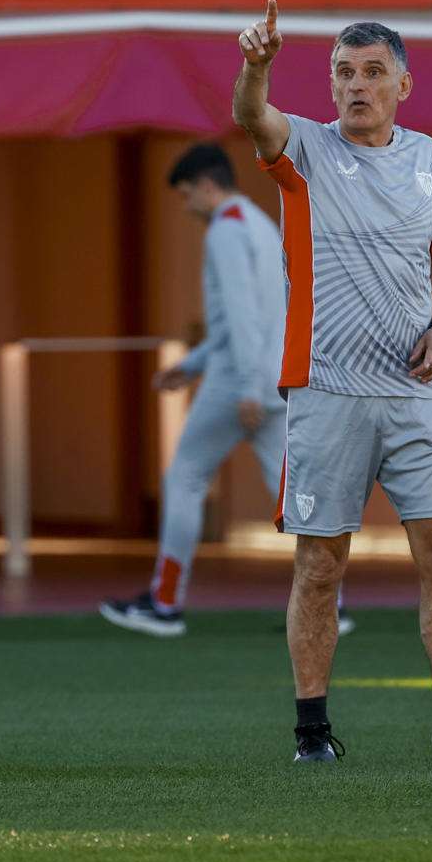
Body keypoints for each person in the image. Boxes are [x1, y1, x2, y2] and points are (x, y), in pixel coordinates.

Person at [234, 0, 432, 763]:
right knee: (321, 566)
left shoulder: (429, 159)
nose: (356, 86)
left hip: (417, 394)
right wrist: (256, 66)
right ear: (329, 84)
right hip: (327, 392)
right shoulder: (304, 151)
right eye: (343, 72)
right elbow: (250, 117)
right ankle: (312, 733)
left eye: (372, 73)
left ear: (403, 85)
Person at [100, 143, 311, 637]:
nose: (185, 204)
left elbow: (240, 317)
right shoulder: (258, 222)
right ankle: (331, 601)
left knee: (186, 479)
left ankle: (166, 601)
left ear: (208, 186)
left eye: (186, 194)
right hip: (272, 375)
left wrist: (243, 386)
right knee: (290, 491)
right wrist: (192, 365)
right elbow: (262, 314)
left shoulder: (225, 231)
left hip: (241, 381)